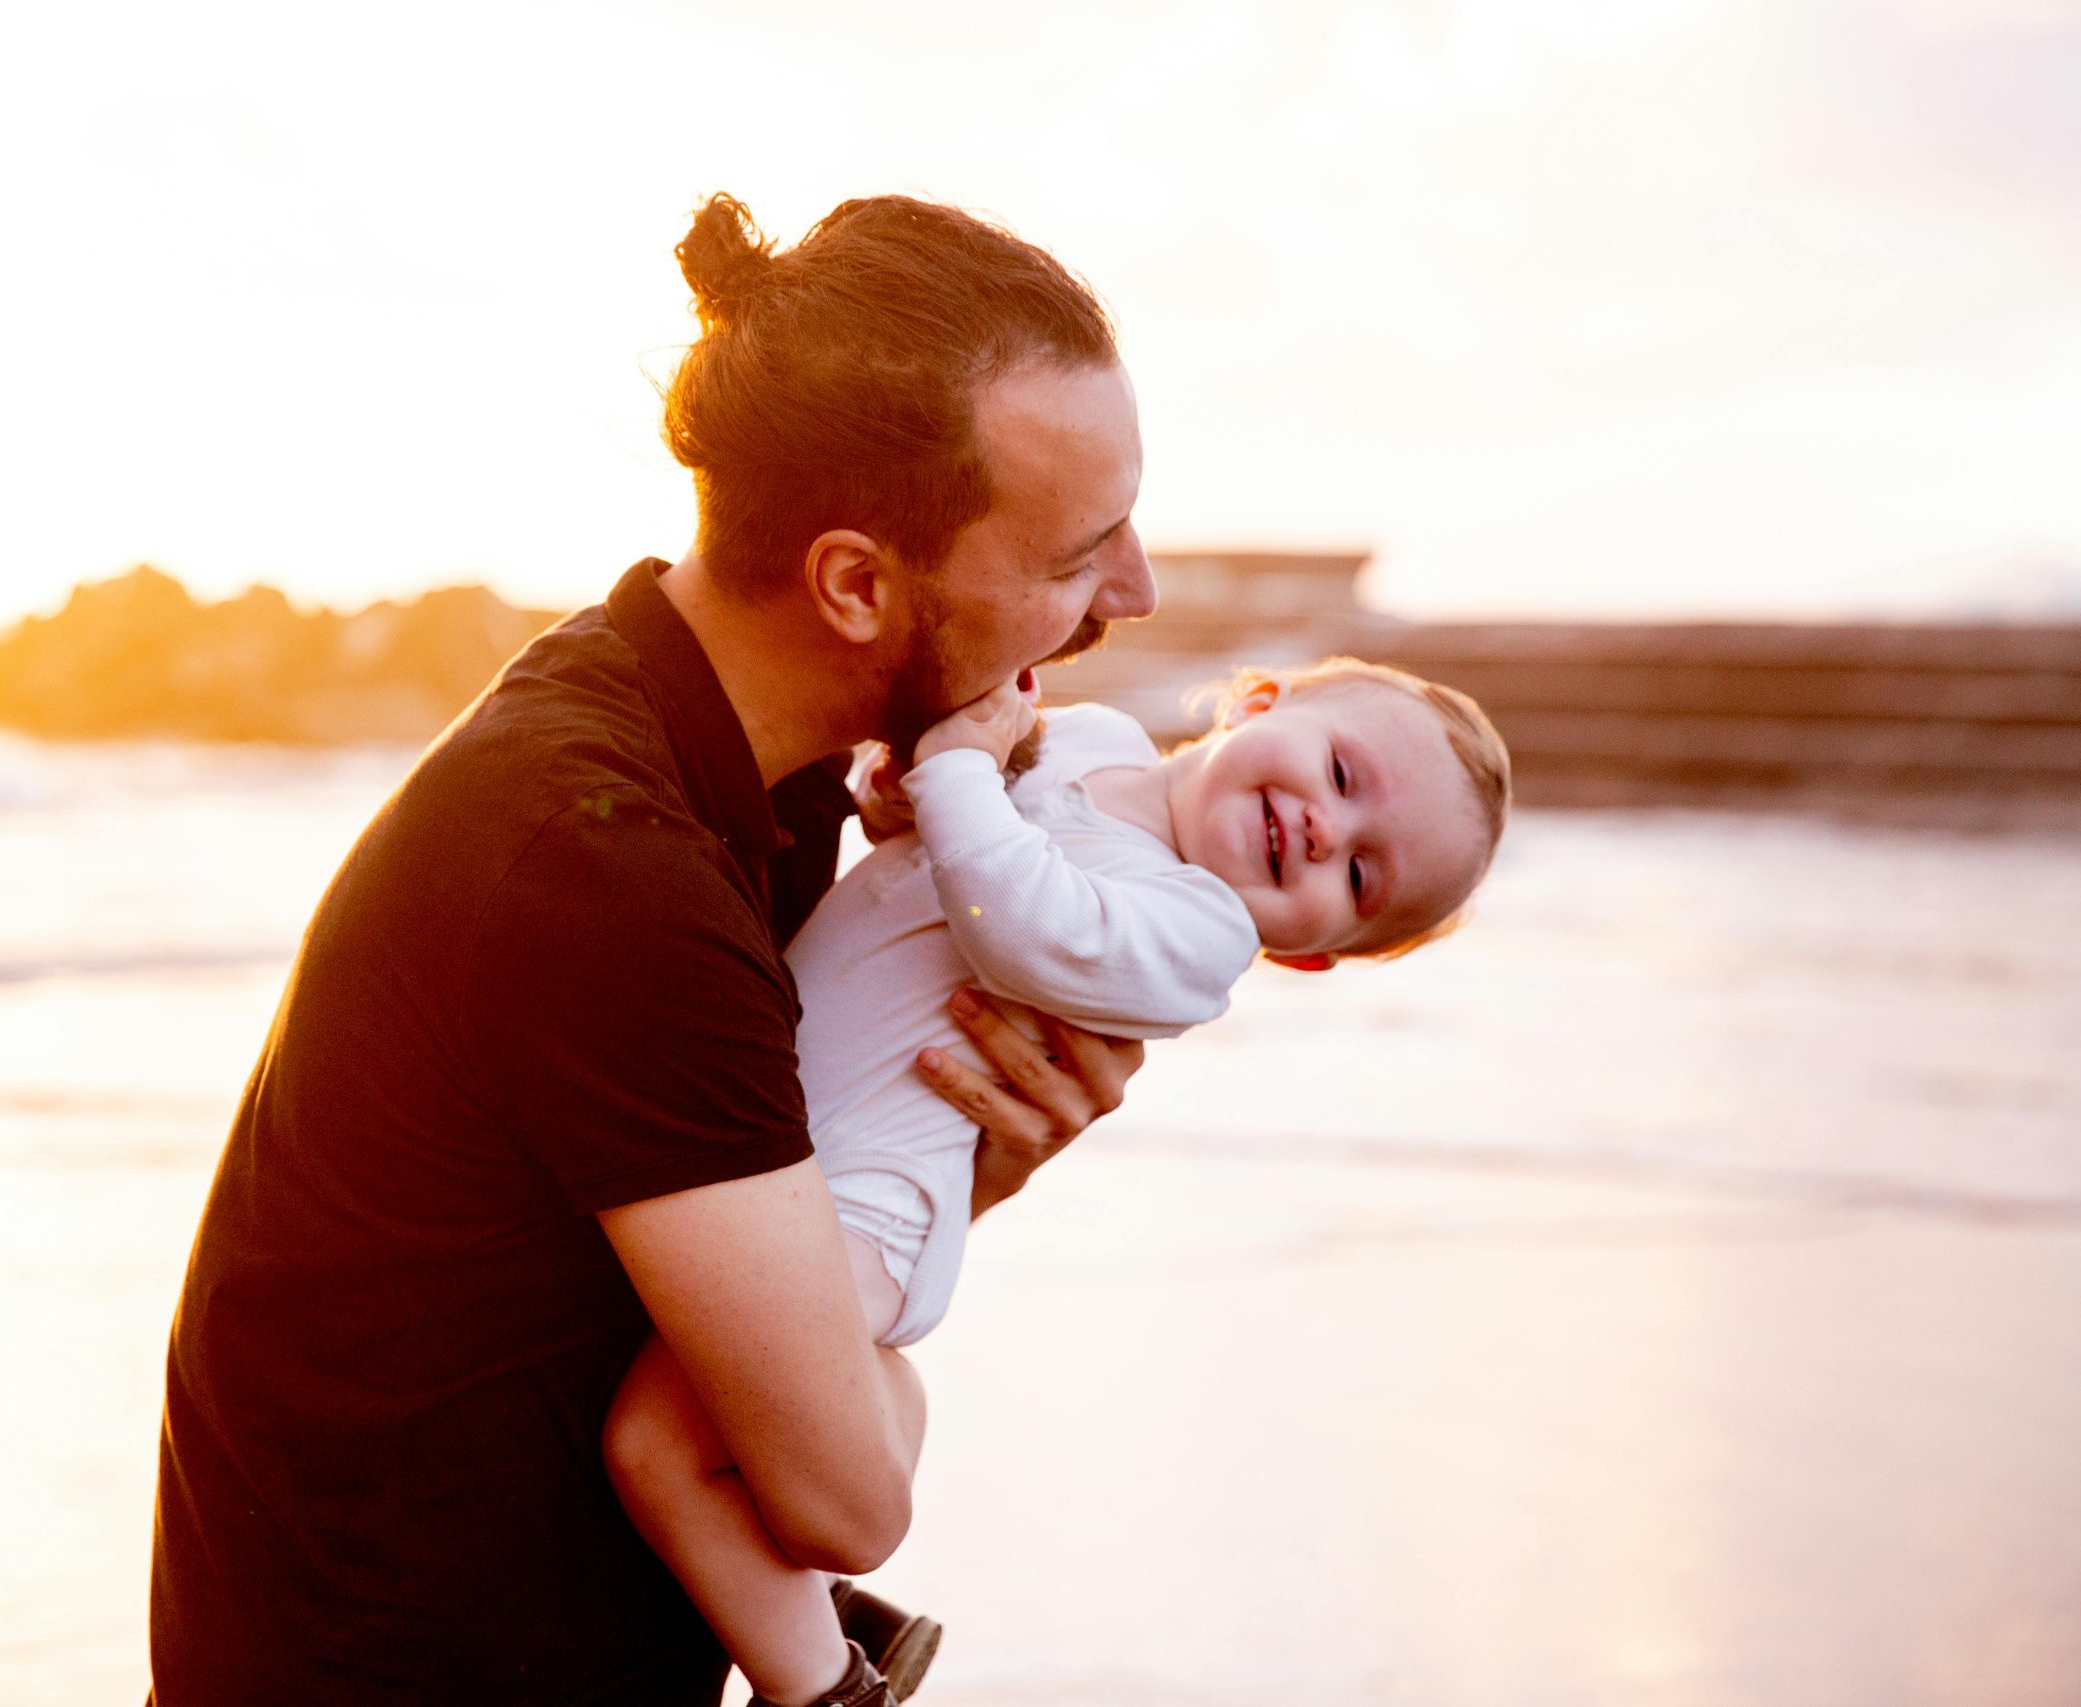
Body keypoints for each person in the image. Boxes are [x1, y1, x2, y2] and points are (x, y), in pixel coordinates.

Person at [147, 189, 1161, 1706]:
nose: (1134, 593)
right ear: (855, 583)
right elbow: (843, 1500)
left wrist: (961, 1158)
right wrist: (877, 1356)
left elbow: (724, 1259)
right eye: (1082, 553)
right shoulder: (600, 859)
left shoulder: (757, 771)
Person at [602, 657, 1513, 1703]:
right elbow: (929, 852)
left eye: (1359, 877)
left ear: (1306, 959)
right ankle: (828, 1577)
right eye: (1343, 775)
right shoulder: (1092, 743)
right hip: (785, 1149)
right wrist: (897, 795)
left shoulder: (1194, 936)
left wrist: (953, 777)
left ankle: (822, 1683)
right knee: (730, 1411)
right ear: (1260, 702)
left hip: (861, 1208)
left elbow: (1022, 927)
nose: (1323, 832)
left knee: (656, 1439)